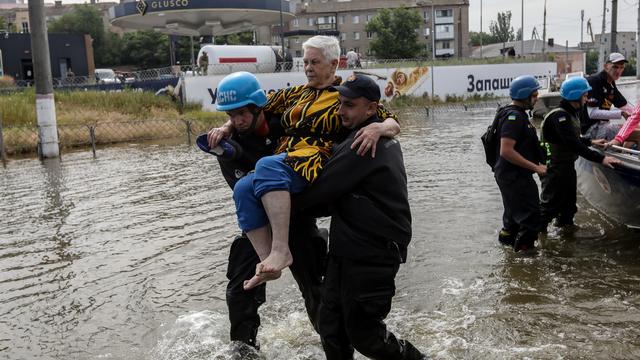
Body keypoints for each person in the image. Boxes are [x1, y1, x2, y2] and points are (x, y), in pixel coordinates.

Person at [209, 35, 400, 290]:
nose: (308, 68)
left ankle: (281, 250)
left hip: (313, 158)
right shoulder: (294, 94)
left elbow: (392, 121)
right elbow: (255, 105)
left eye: (315, 62)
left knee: (266, 165)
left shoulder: (343, 97)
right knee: (243, 189)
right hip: (282, 159)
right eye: (306, 62)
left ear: (333, 65)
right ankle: (268, 263)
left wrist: (378, 128)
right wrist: (226, 126)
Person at [293, 74, 425, 360]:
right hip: (346, 249)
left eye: (349, 105)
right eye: (339, 103)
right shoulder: (366, 134)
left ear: (371, 109)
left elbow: (318, 193)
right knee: (331, 328)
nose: (340, 111)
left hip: (371, 254)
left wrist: (273, 199)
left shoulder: (364, 143)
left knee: (365, 336)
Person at [203, 71, 328, 351]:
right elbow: (245, 194)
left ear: (259, 107)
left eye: (242, 114)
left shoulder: (285, 123)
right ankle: (244, 352)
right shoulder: (227, 147)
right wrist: (227, 129)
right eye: (230, 116)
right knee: (239, 290)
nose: (237, 121)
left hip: (297, 218)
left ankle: (334, 345)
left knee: (317, 289)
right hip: (259, 225)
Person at [540, 77, 622, 230]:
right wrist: (601, 158)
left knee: (569, 207)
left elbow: (574, 139)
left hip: (567, 167)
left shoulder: (570, 113)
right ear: (575, 96)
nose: (587, 98)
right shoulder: (560, 117)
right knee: (548, 208)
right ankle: (535, 242)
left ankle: (565, 239)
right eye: (584, 95)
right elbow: (574, 144)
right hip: (555, 170)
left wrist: (592, 142)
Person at [494, 75, 547, 252]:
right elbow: (506, 150)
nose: (537, 98)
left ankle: (508, 253)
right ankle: (527, 265)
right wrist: (537, 168)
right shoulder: (514, 118)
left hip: (510, 175)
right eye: (534, 96)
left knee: (512, 217)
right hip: (514, 177)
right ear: (524, 96)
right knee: (531, 218)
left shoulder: (514, 114)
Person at [581, 52, 634, 139]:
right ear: (606, 66)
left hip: (604, 126)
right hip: (591, 130)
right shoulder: (594, 81)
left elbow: (625, 107)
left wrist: (636, 115)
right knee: (637, 133)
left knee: (635, 127)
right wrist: (620, 113)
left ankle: (623, 150)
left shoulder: (611, 83)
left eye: (621, 67)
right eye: (615, 67)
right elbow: (592, 113)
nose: (618, 71)